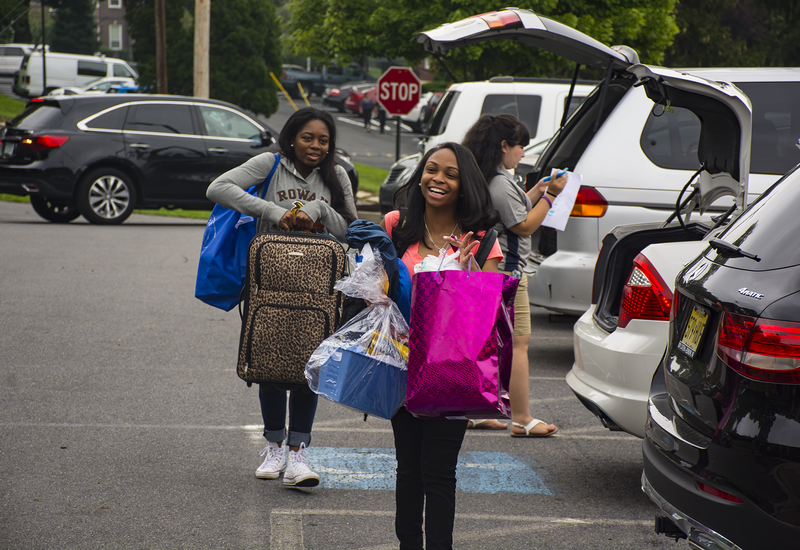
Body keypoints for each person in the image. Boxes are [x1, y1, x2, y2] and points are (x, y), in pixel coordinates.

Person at [206, 107, 358, 487]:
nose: (316, 146)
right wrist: (273, 210)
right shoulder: (269, 164)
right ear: (291, 137)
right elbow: (218, 187)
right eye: (308, 138)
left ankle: (298, 454)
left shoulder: (336, 174)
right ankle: (274, 446)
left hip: (320, 286)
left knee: (311, 368)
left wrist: (320, 209)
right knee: (271, 363)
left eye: (323, 140)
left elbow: (353, 229)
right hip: (269, 280)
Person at [381, 142, 503, 550]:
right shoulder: (396, 225)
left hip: (453, 370)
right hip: (402, 364)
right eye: (432, 170)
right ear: (420, 175)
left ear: (464, 185)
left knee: (438, 470)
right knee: (408, 470)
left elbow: (483, 312)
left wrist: (464, 270)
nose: (438, 179)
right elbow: (380, 290)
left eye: (450, 174)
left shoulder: (483, 241)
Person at [462, 113, 567, 437]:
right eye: (520, 145)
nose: (523, 153)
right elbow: (523, 225)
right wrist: (551, 197)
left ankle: (476, 411)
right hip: (506, 271)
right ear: (504, 145)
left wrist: (536, 190)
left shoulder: (487, 176)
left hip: (489, 268)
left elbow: (515, 211)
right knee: (519, 343)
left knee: (486, 342)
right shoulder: (499, 181)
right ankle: (522, 418)